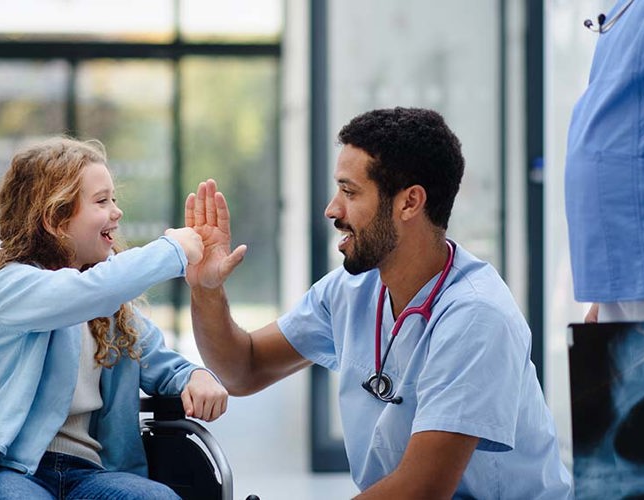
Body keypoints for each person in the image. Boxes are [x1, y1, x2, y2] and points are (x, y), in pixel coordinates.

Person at [186, 108, 573, 498]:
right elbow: (243, 369)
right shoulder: (352, 290)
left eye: (349, 192)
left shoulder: (476, 316)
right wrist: (206, 289)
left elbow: (422, 490)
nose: (332, 210)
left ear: (409, 203)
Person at [0, 137, 228, 500]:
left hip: (90, 475)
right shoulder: (12, 286)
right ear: (54, 218)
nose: (117, 212)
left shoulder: (111, 310)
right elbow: (87, 292)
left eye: (114, 199)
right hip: (12, 470)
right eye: (101, 201)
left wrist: (196, 375)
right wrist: (172, 250)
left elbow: (162, 362)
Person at [565, 0, 644, 323]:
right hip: (618, 251)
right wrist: (606, 295)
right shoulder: (624, 8)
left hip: (642, 232)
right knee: (624, 371)